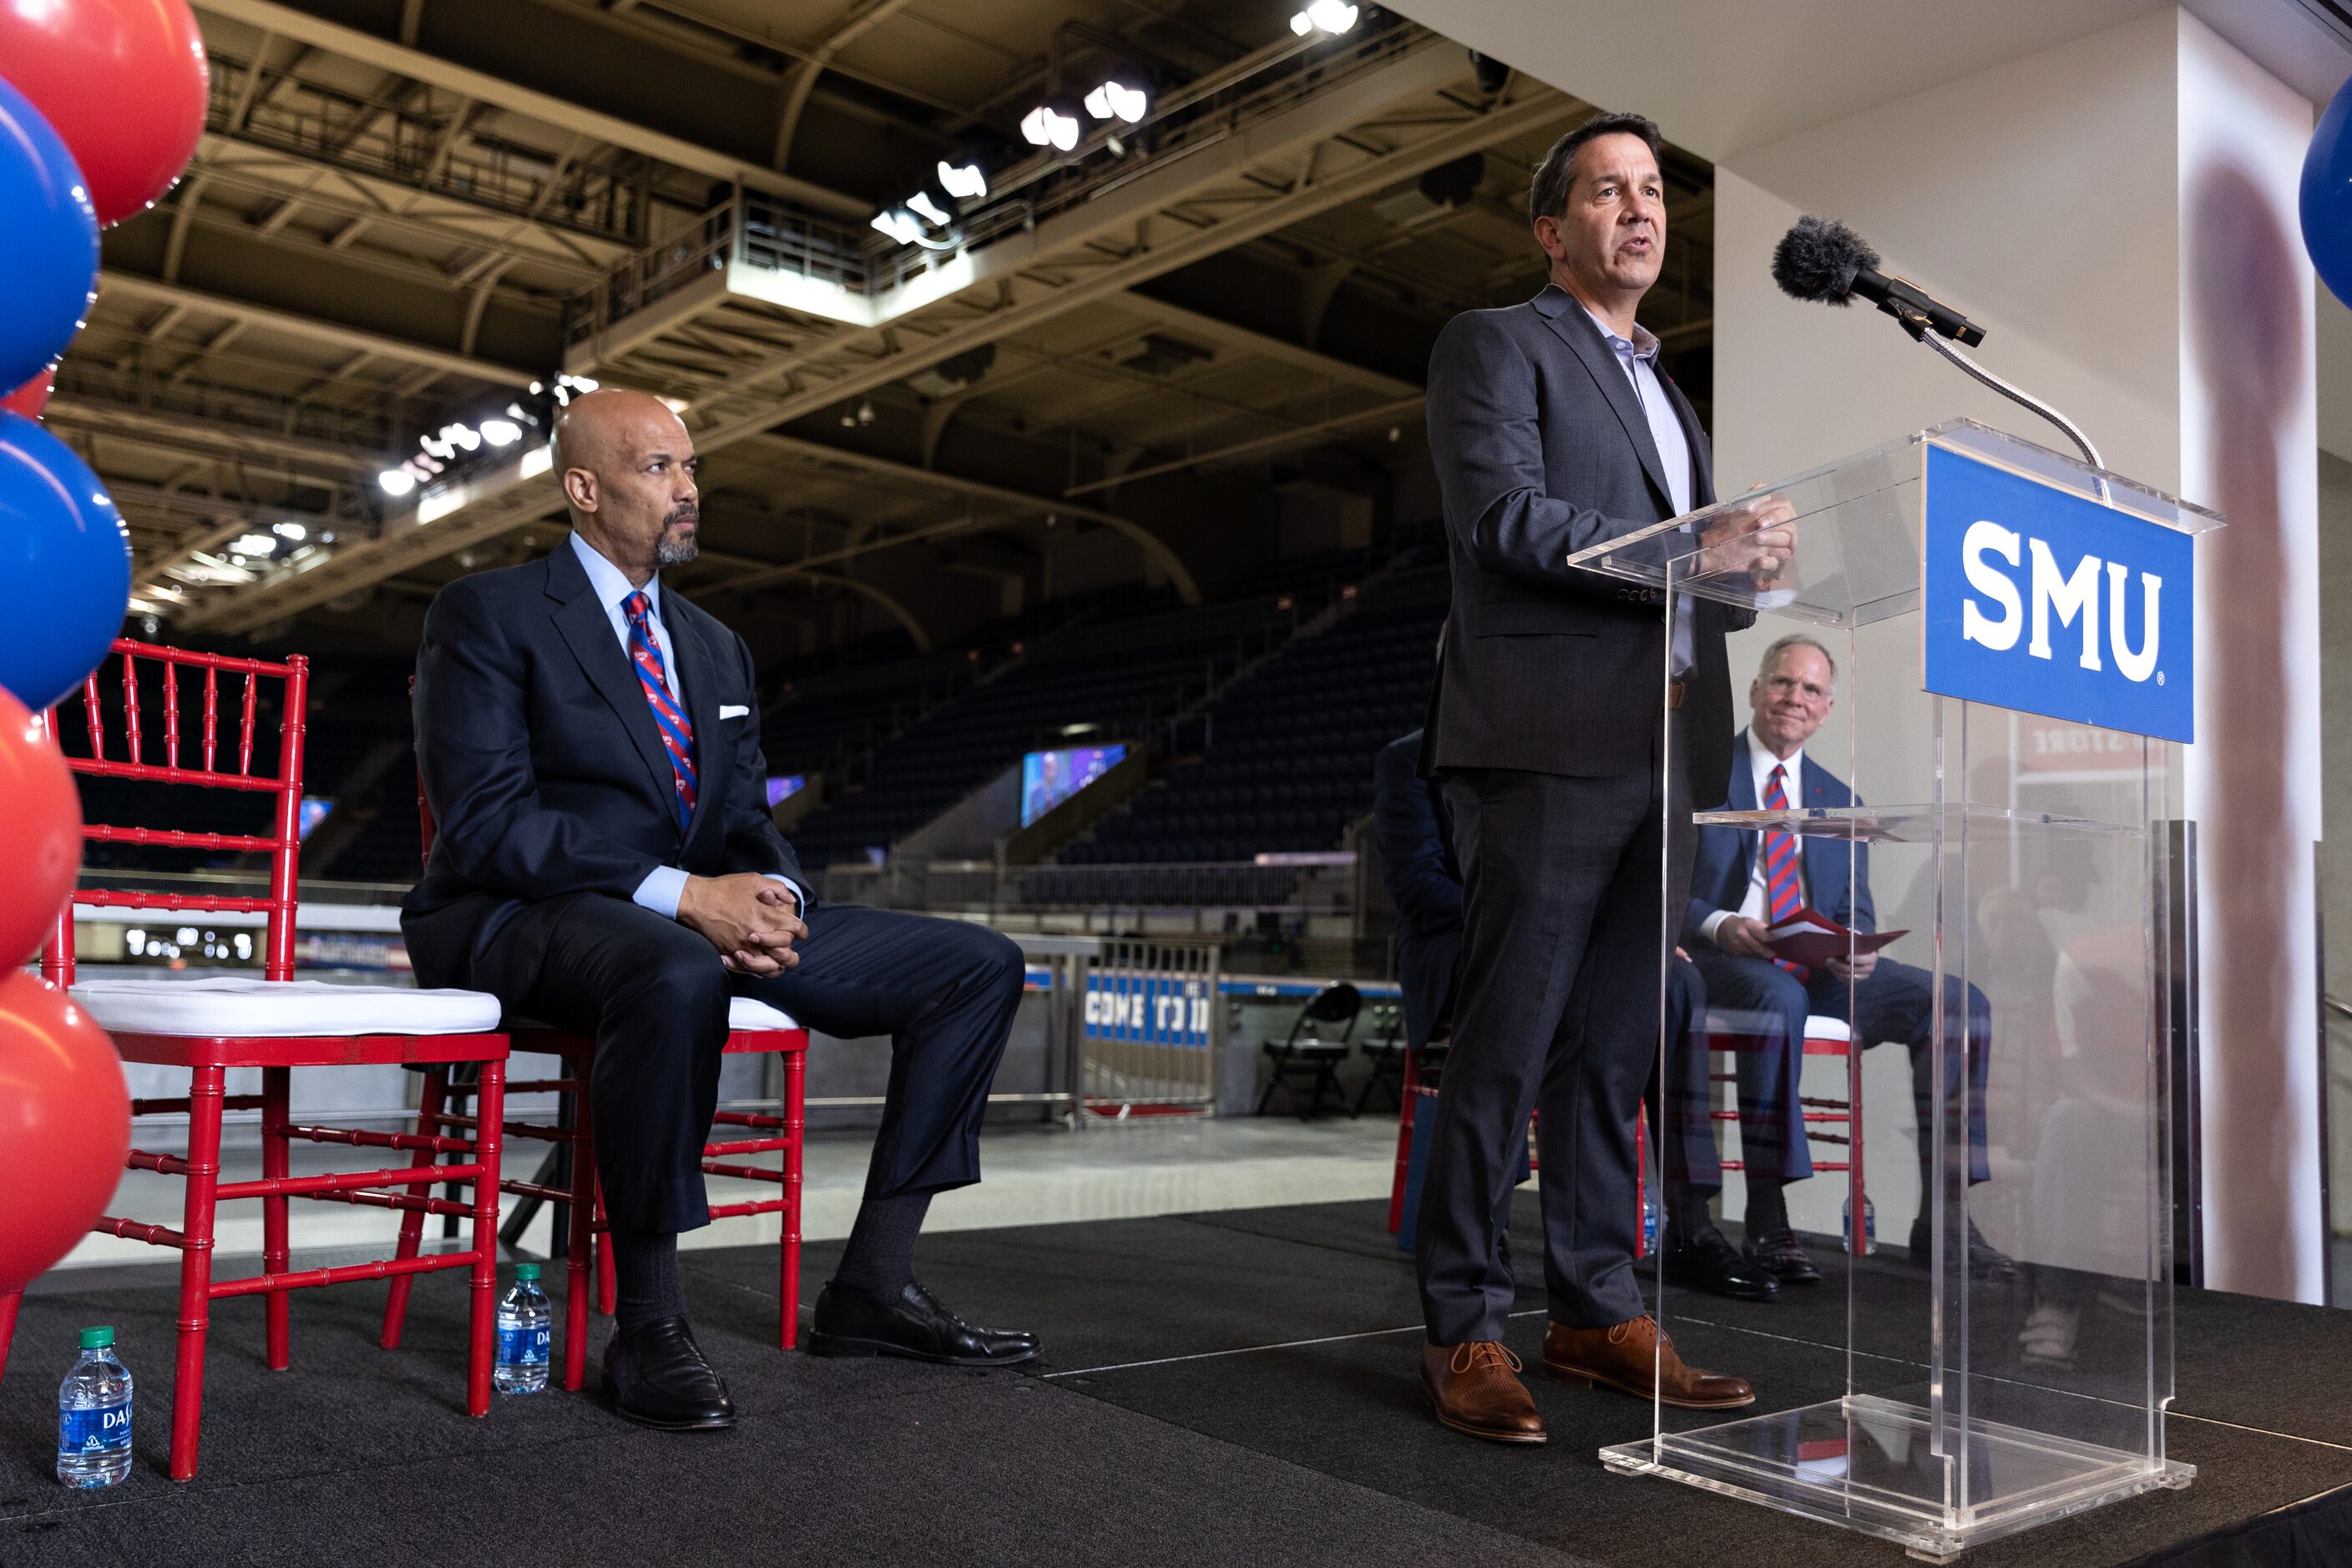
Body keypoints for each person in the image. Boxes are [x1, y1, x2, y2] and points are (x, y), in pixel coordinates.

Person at [403, 388, 1038, 1434]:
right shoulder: (488, 613)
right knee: (675, 968)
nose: (689, 490)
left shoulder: (716, 646)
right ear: (583, 486)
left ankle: (872, 1287)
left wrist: (773, 895)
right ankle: (647, 1324)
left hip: (690, 911)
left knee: (977, 965)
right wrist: (686, 898)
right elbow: (484, 826)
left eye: (692, 469)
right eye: (660, 469)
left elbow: (743, 815)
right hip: (527, 915)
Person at [1413, 109, 1793, 1444]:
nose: (1640, 210)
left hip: (1667, 748)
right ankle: (1465, 1325)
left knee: (1614, 1052)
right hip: (1545, 741)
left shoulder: (1668, 390)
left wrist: (1742, 573)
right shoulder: (1497, 343)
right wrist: (1698, 539)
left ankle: (1592, 1308)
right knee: (1509, 1046)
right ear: (1551, 226)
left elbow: (1687, 590)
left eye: (1652, 191)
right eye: (1607, 191)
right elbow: (1504, 517)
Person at [1375, 729, 1772, 1305]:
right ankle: (1484, 1234)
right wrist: (1546, 919)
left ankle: (1690, 1221)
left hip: (1569, 930)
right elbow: (1418, 887)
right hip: (1458, 940)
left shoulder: (1560, 744)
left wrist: (1629, 931)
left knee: (1674, 980)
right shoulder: (1408, 757)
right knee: (1521, 969)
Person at [1683, 633, 2011, 1281]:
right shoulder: (1699, 774)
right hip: (1722, 962)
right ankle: (1768, 1218)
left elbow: (1854, 907)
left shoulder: (1841, 801)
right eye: (1781, 683)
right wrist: (1719, 924)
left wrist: (1855, 949)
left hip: (1817, 971)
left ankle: (1943, 1220)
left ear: (1826, 709)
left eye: (1809, 690)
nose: (1793, 698)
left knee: (1958, 1004)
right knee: (1779, 998)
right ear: (1754, 690)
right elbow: (1663, 884)